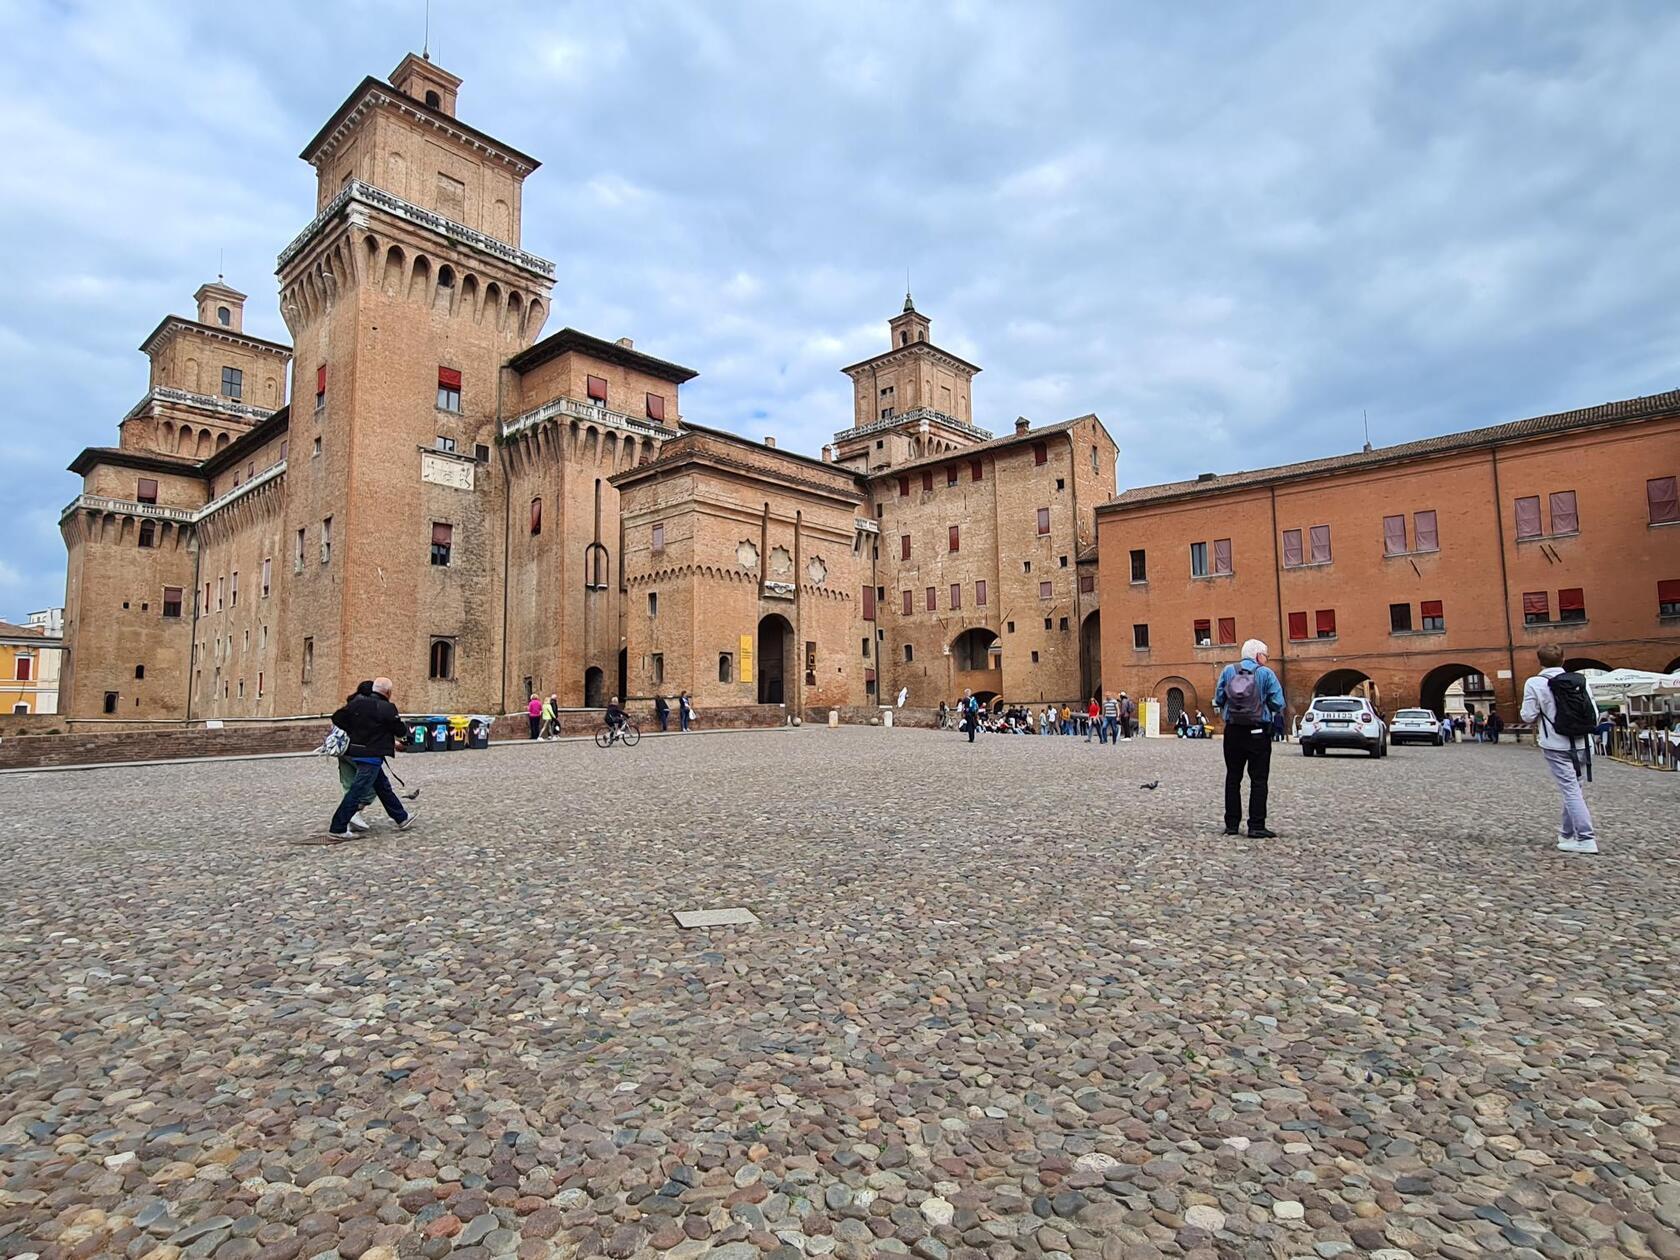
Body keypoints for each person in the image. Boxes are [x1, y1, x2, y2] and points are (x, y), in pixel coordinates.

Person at [1521, 644, 1600, 854]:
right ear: (1563, 659)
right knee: (1574, 788)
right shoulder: (1580, 681)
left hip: (1556, 744)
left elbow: (1527, 716)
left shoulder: (1535, 683)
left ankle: (1585, 837)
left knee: (1571, 790)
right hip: (1583, 742)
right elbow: (1594, 713)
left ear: (1539, 661)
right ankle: (1567, 834)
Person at [1213, 639, 1285, 838]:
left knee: (1233, 778)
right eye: (1266, 656)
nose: (1267, 659)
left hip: (1233, 731)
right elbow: (1278, 703)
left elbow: (1218, 699)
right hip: (1258, 732)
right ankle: (1256, 825)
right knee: (1259, 779)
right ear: (1258, 655)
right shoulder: (1265, 673)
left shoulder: (1228, 671)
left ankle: (1232, 825)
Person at [328, 678, 417, 840]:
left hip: (357, 752)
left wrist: (355, 732)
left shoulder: (357, 704)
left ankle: (402, 818)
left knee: (383, 787)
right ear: (388, 693)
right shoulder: (387, 708)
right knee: (357, 790)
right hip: (372, 756)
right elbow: (400, 730)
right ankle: (338, 827)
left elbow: (337, 718)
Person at [334, 680, 377, 834]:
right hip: (357, 750)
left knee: (349, 783)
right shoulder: (366, 706)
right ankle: (351, 814)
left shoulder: (350, 703)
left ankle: (348, 820)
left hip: (342, 750)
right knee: (369, 786)